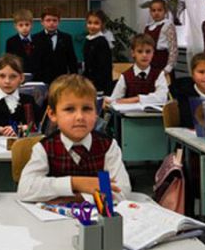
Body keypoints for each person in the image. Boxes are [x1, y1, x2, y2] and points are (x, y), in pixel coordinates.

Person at [17, 74, 131, 202]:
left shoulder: (108, 146)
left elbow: (122, 192)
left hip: (97, 219)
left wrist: (77, 198)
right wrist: (75, 183)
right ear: (52, 114)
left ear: (96, 113)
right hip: (53, 220)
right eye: (69, 109)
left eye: (87, 109)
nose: (79, 117)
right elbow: (25, 190)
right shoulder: (44, 148)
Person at [108, 34, 169, 105]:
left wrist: (137, 99)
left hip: (153, 115)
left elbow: (162, 98)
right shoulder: (125, 76)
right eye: (140, 51)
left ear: (153, 53)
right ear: (133, 53)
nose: (144, 55)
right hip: (130, 115)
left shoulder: (159, 75)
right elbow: (114, 101)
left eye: (148, 51)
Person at [32, 7, 78, 84]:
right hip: (41, 80)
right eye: (48, 20)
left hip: (61, 80)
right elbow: (33, 61)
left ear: (59, 21)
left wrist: (75, 78)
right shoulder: (35, 38)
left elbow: (72, 60)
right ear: (42, 22)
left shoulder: (66, 38)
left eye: (54, 20)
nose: (51, 23)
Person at [143, 0, 178, 77]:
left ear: (165, 11)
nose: (156, 13)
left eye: (159, 10)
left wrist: (168, 67)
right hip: (150, 61)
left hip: (162, 61)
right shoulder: (148, 26)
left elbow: (173, 48)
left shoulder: (168, 25)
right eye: (153, 10)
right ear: (150, 12)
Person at [82, 10, 113, 95]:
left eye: (96, 23)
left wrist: (94, 82)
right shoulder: (88, 40)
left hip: (100, 85)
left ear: (102, 25)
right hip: (89, 83)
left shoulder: (102, 42)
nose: (92, 26)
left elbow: (104, 67)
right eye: (89, 22)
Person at [5, 8, 36, 76]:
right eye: (21, 25)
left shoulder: (38, 40)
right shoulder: (11, 42)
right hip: (17, 75)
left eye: (27, 24)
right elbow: (9, 62)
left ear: (32, 25)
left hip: (36, 76)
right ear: (15, 26)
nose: (24, 28)